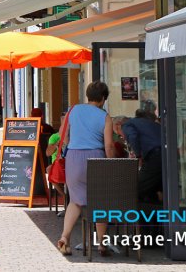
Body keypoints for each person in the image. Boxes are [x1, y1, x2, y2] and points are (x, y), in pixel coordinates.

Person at [57, 81, 117, 257]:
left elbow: (62, 134)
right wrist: (112, 163)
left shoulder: (73, 110)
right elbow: (109, 146)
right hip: (96, 158)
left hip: (74, 157)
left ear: (88, 96)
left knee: (75, 201)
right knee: (100, 201)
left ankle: (65, 237)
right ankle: (102, 244)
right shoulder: (105, 117)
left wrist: (72, 144)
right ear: (103, 98)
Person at [123, 108, 163, 203]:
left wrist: (138, 155)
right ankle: (153, 209)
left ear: (118, 125)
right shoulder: (153, 124)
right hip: (165, 156)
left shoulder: (128, 124)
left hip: (154, 156)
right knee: (152, 187)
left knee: (135, 188)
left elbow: (132, 136)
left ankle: (133, 210)